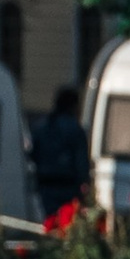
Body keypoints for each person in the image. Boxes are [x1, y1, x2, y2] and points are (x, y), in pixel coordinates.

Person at [30, 83, 91, 225]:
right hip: (68, 186)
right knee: (67, 223)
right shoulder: (75, 129)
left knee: (50, 223)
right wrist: (85, 182)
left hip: (46, 186)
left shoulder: (42, 127)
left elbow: (34, 155)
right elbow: (81, 161)